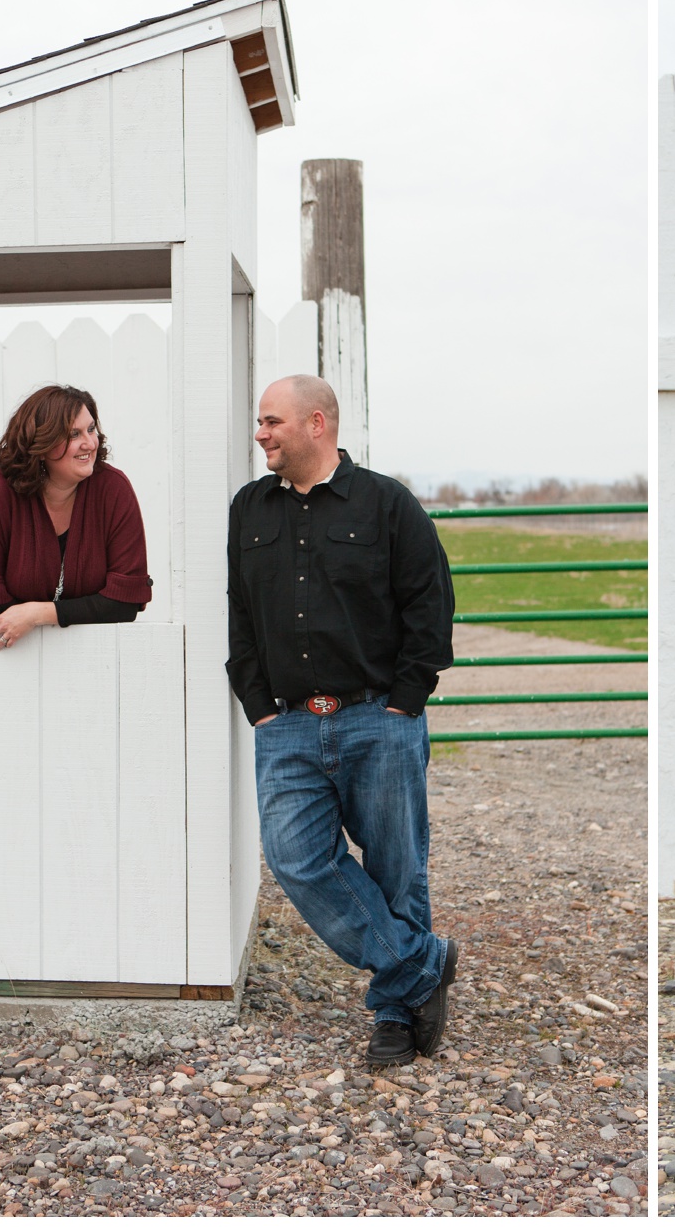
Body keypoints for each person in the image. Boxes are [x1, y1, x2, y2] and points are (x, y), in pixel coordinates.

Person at [225, 374, 458, 1067]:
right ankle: (421, 964)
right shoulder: (250, 509)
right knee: (297, 857)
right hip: (288, 724)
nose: (261, 433)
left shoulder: (386, 503)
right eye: (260, 422)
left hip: (376, 718)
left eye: (272, 421)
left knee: (396, 867)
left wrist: (406, 700)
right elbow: (240, 610)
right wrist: (259, 705)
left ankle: (394, 1012)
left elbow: (430, 604)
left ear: (317, 423)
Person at [0, 384, 153, 646]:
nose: (90, 443)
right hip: (4, 660)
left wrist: (38, 614)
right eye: (73, 434)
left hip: (94, 658)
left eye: (91, 429)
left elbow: (125, 603)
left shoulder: (113, 490)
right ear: (41, 444)